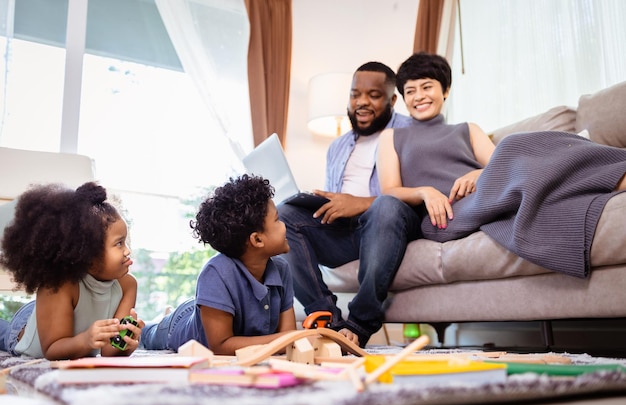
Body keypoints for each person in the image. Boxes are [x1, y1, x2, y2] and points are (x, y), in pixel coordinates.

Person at [359, 51, 626, 343]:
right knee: (513, 147)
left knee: (516, 147)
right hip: (444, 214)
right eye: (410, 91)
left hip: (482, 195)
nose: (419, 96)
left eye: (427, 87)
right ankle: (615, 174)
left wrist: (477, 175)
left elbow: (496, 164)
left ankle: (614, 175)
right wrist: (426, 191)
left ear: (445, 90)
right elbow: (390, 191)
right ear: (403, 98)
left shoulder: (467, 129)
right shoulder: (392, 138)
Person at [278, 61, 412, 347]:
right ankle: (327, 320)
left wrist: (360, 203)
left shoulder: (409, 132)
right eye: (355, 95)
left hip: (387, 223)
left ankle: (360, 324)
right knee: (283, 216)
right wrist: (323, 201)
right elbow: (337, 196)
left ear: (392, 100)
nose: (362, 102)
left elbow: (413, 195)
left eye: (373, 95)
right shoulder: (337, 146)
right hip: (345, 232)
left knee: (384, 206)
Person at [141, 174, 300, 356]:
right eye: (277, 220)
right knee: (147, 334)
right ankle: (158, 320)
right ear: (257, 239)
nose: (285, 225)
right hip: (179, 324)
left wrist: (295, 338)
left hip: (209, 307)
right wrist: (292, 338)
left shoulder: (281, 269)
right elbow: (220, 346)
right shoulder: (216, 273)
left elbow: (288, 338)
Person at [0, 182, 142, 360]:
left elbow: (109, 350)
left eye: (125, 242)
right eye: (119, 243)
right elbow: (51, 349)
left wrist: (126, 343)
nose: (127, 251)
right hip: (26, 326)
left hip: (57, 309)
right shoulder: (60, 285)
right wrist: (86, 340)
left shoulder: (128, 285)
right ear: (88, 254)